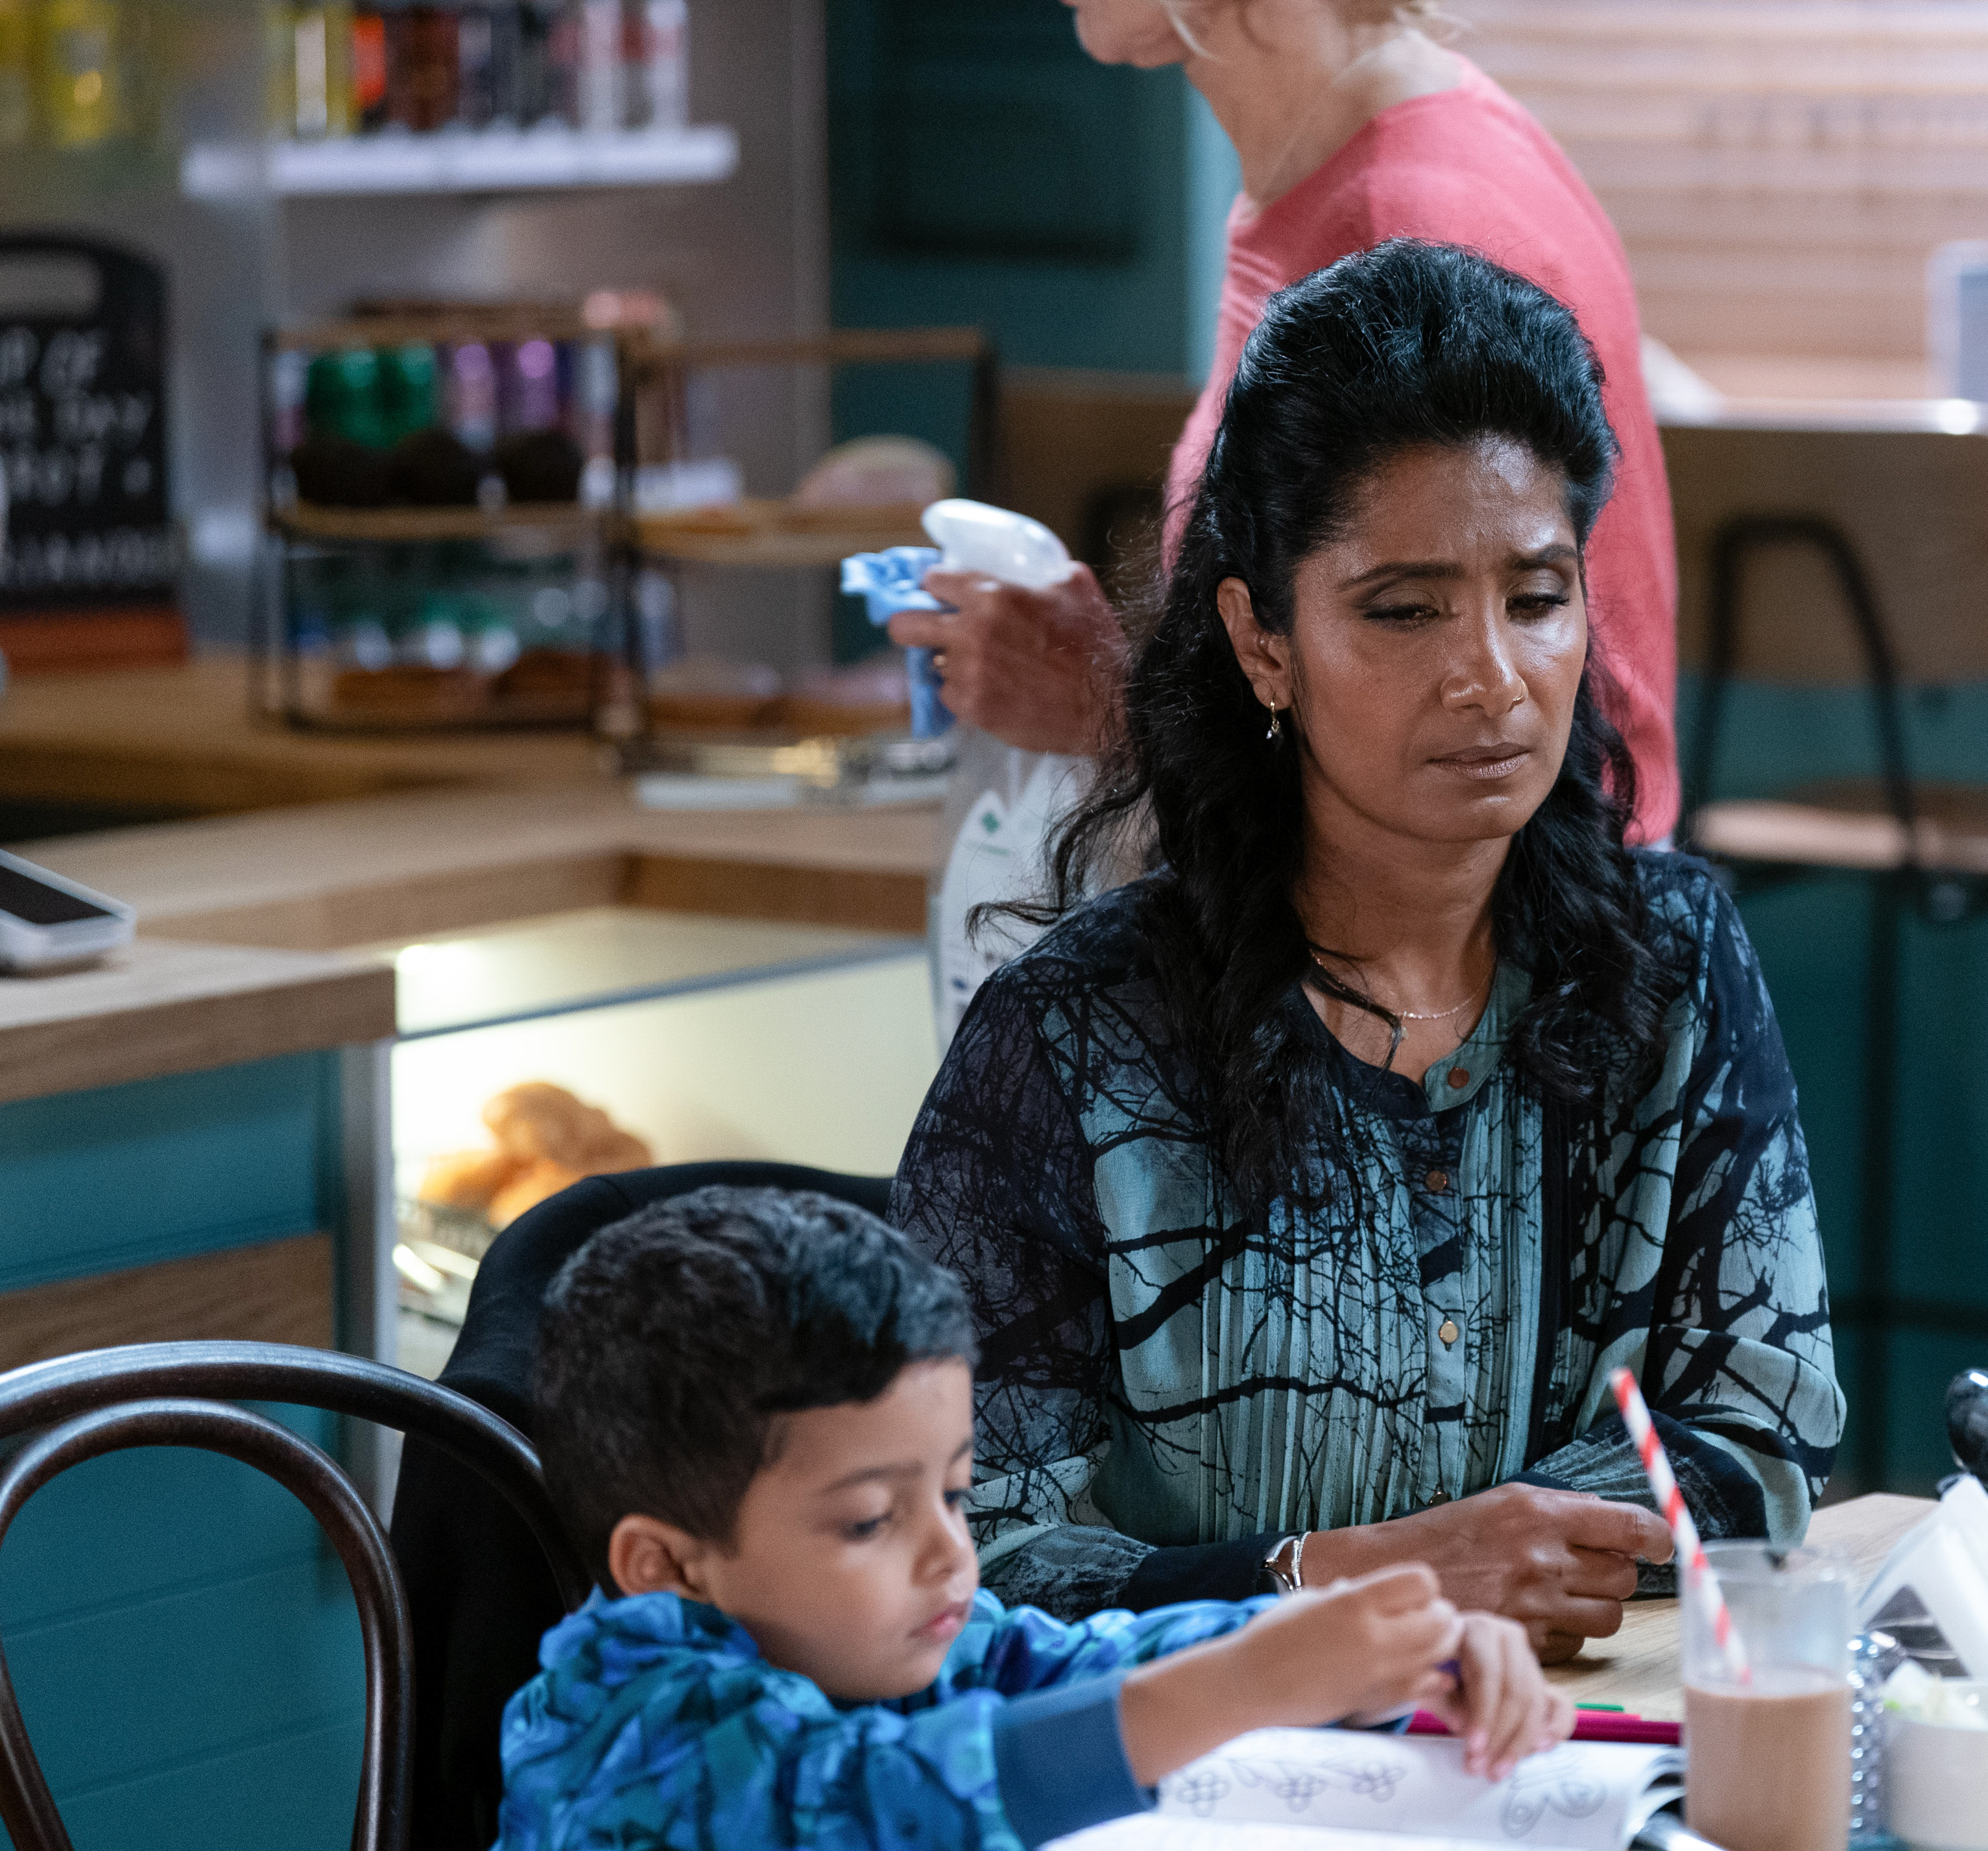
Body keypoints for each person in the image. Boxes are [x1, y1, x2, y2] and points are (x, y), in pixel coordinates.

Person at [896, 241, 1841, 1660]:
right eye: (1401, 610)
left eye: (1535, 597)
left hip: (1562, 1755)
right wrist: (1368, 1576)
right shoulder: (1074, 1037)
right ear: (1262, 641)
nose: (1490, 674)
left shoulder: (1667, 957)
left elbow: (1760, 1433)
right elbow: (953, 1555)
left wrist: (1501, 1556)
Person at [497, 1185, 1572, 1849]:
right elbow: (889, 1807)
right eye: (871, 1520)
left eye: (955, 1492)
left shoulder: (907, 1639)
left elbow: (1084, 1664)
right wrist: (1252, 1683)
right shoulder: (634, 1729)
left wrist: (1365, 1653)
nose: (948, 1553)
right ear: (665, 1568)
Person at [889, 0, 1684, 842]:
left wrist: (1100, 705)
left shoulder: (1405, 223)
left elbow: (1459, 757)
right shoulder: (1341, 157)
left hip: (1510, 939)